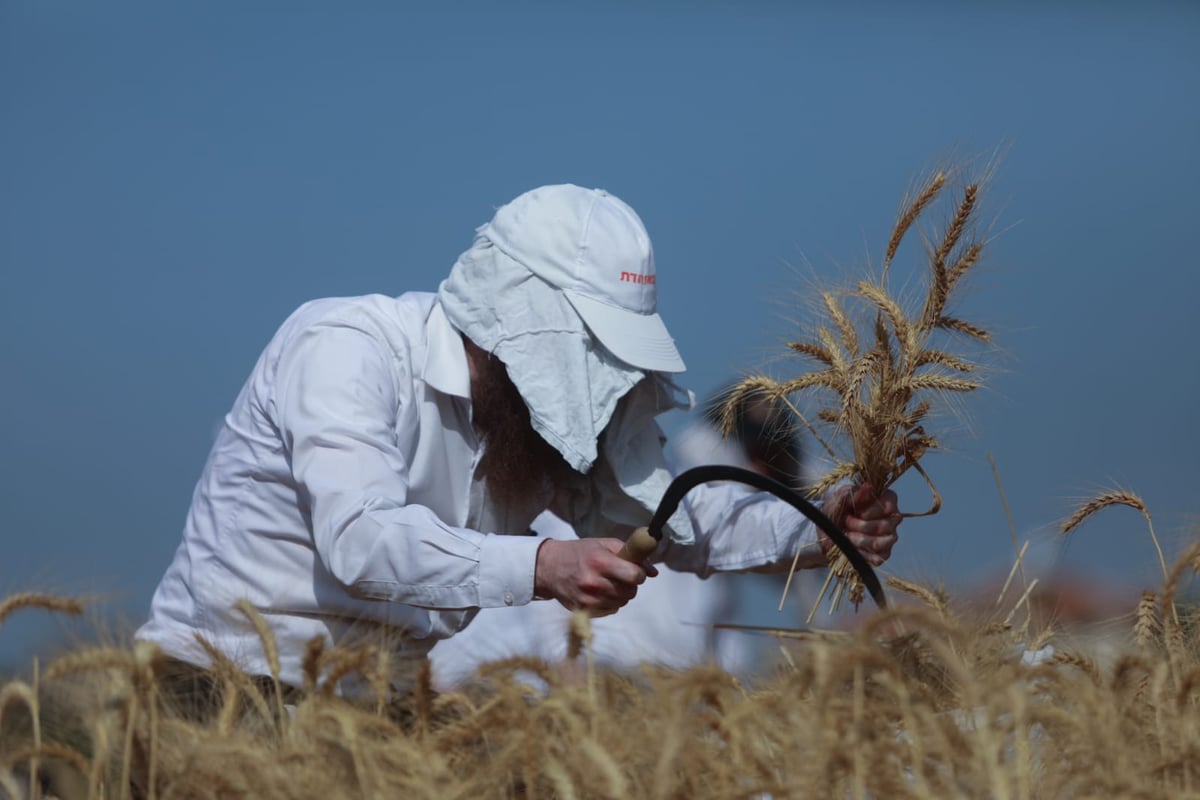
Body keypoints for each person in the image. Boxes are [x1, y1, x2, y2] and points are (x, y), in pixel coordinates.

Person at [136, 184, 901, 700]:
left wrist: (825, 525)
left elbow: (665, 525)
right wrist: (544, 563)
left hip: (384, 715)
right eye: (589, 348)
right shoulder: (342, 347)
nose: (603, 378)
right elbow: (362, 542)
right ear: (517, 314)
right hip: (219, 692)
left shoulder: (535, 423)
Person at [428, 385, 807, 688]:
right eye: (761, 455)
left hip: (652, 722)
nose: (764, 469)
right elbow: (554, 616)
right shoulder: (610, 504)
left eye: (776, 460)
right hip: (582, 704)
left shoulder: (713, 559)